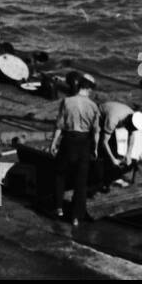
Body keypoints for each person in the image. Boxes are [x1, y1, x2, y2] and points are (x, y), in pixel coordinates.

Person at [49, 74, 100, 225]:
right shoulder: (93, 106)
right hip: (84, 142)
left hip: (68, 140)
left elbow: (59, 125)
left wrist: (53, 143)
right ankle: (76, 217)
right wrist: (95, 148)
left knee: (60, 173)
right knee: (81, 181)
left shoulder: (67, 101)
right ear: (88, 89)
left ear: (78, 87)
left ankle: (58, 208)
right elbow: (96, 131)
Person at [98, 98, 142, 188]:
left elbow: (131, 135)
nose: (130, 130)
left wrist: (128, 154)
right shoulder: (113, 119)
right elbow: (104, 141)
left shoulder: (132, 115)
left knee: (114, 148)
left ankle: (113, 176)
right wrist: (113, 159)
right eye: (130, 127)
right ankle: (101, 180)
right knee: (103, 151)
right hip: (99, 118)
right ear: (128, 121)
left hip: (111, 116)